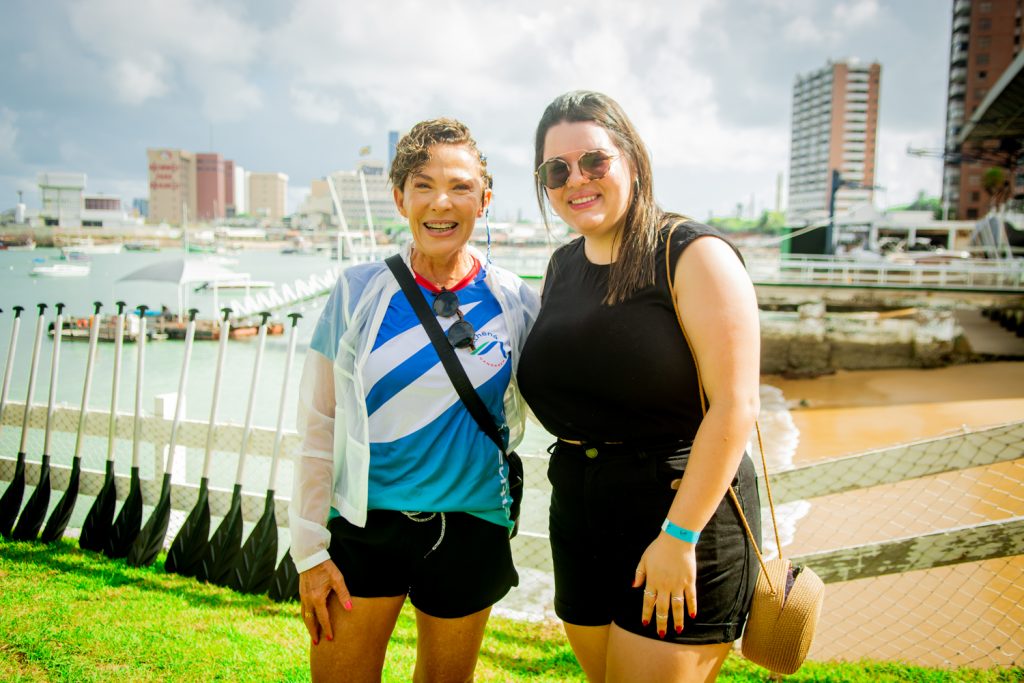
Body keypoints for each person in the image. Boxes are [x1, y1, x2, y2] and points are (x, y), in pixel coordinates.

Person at [517, 91, 763, 683]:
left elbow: (736, 405)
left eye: (594, 161)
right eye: (557, 170)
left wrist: (679, 536)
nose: (576, 179)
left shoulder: (692, 253)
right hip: (579, 509)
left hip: (681, 510)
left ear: (632, 159)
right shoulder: (562, 266)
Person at [290, 118, 540, 683]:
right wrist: (309, 549)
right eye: (423, 185)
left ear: (485, 199)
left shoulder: (515, 300)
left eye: (460, 186)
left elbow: (563, 394)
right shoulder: (358, 293)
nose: (441, 202)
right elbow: (318, 424)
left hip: (472, 524)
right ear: (400, 197)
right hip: (365, 524)